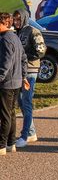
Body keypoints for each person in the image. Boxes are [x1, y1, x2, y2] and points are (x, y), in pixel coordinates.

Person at [12, 9, 46, 148]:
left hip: (30, 71)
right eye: (15, 19)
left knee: (26, 101)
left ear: (25, 18)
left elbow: (41, 50)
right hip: (19, 71)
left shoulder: (33, 31)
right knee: (20, 101)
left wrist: (24, 57)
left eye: (19, 19)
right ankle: (32, 132)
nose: (16, 22)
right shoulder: (16, 33)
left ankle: (25, 135)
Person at [0, 13, 29, 155]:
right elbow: (24, 58)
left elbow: (6, 62)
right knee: (11, 113)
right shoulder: (15, 37)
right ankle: (11, 143)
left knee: (5, 115)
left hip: (7, 83)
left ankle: (1, 145)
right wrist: (23, 76)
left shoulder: (5, 39)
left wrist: (0, 77)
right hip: (16, 81)